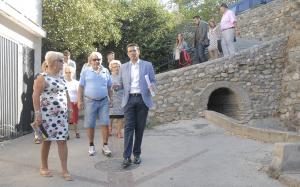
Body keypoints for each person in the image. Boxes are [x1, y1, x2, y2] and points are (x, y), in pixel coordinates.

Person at [32, 51, 73, 181]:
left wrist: (70, 108)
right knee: (47, 141)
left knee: (62, 141)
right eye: (61, 61)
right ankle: (43, 167)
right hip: (46, 116)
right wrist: (38, 114)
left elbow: (65, 94)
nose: (63, 63)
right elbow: (35, 96)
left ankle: (65, 169)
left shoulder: (61, 78)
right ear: (53, 62)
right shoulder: (42, 77)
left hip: (61, 116)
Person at [116, 43, 156, 168]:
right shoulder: (123, 67)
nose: (132, 53)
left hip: (142, 99)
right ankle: (126, 157)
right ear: (127, 54)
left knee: (140, 128)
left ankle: (137, 154)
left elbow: (153, 80)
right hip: (129, 100)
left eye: (134, 50)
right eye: (130, 51)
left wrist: (152, 86)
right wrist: (117, 86)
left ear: (138, 51)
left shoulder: (147, 65)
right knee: (128, 128)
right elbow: (121, 84)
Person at [77, 52, 113, 157]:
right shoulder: (86, 71)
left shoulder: (106, 71)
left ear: (102, 60)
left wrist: (111, 99)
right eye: (94, 59)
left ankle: (105, 145)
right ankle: (91, 145)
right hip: (90, 101)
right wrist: (80, 100)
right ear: (90, 61)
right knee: (90, 124)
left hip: (104, 101)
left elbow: (109, 87)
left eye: (99, 59)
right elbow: (81, 87)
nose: (97, 61)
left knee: (105, 123)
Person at [33, 61, 48, 144]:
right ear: (43, 67)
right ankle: (37, 136)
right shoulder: (39, 76)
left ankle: (44, 136)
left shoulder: (52, 76)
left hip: (48, 102)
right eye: (45, 66)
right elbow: (35, 89)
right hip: (40, 99)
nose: (46, 67)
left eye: (48, 66)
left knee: (44, 120)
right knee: (38, 118)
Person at [109, 60, 124, 138]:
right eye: (114, 67)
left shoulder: (123, 76)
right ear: (111, 68)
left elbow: (126, 85)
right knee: (110, 116)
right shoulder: (108, 77)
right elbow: (106, 87)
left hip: (121, 98)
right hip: (111, 98)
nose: (116, 68)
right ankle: (109, 130)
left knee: (120, 116)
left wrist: (120, 86)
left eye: (118, 66)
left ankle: (119, 132)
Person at [64, 66, 80, 138]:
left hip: (74, 102)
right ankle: (66, 133)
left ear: (73, 73)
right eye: (66, 72)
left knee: (74, 119)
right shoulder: (63, 82)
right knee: (65, 119)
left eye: (69, 72)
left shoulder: (76, 83)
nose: (68, 74)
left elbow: (79, 93)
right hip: (64, 103)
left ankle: (76, 131)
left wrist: (79, 101)